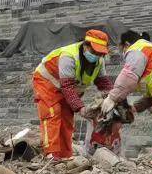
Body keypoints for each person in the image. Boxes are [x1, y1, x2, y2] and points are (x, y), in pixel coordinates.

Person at [31, 29, 112, 160]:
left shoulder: (99, 61)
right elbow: (67, 87)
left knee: (67, 117)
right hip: (47, 82)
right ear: (85, 46)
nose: (97, 55)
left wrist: (112, 100)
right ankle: (50, 154)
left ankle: (64, 155)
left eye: (100, 53)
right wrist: (81, 109)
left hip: (67, 87)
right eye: (94, 51)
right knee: (52, 112)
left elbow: (104, 83)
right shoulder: (68, 56)